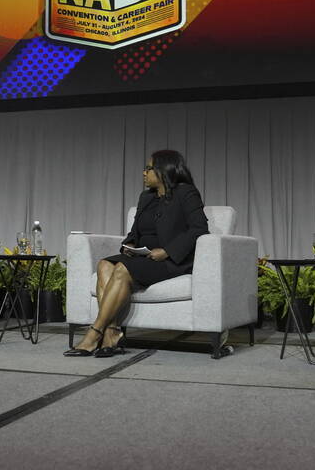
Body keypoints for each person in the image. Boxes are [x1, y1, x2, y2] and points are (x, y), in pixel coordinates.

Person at [65, 149, 209, 358]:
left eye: (149, 168)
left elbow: (199, 228)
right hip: (142, 256)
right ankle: (113, 331)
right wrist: (129, 244)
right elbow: (135, 232)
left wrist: (168, 251)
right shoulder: (146, 197)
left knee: (121, 270)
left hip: (170, 261)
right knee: (104, 265)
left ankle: (95, 332)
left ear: (164, 170)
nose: (144, 172)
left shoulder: (186, 193)